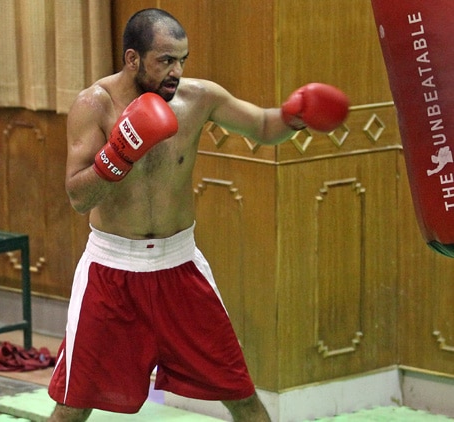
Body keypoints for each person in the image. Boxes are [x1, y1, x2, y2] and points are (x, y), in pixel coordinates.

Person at [47, 8, 348, 422]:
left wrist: (295, 117)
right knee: (72, 406)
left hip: (179, 267)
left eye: (182, 60)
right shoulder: (93, 105)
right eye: (165, 60)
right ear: (132, 58)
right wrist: (117, 156)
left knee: (241, 395)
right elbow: (78, 197)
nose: (176, 71)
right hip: (111, 270)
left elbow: (261, 125)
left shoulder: (198, 98)